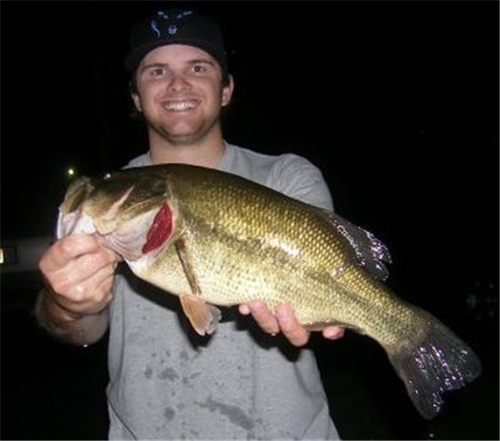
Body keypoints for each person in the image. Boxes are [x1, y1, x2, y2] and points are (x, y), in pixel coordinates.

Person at [36, 8, 345, 441]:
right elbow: (82, 332)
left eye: (198, 67)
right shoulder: (116, 203)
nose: (177, 83)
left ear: (226, 89)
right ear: (135, 97)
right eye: (157, 71)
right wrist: (68, 305)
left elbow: (331, 274)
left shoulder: (287, 177)